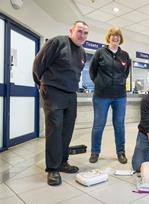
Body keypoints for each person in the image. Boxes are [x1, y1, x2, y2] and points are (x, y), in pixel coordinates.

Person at [33, 20, 89, 186]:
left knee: (67, 130)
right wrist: (42, 85)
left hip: (71, 95)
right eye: (79, 31)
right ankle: (52, 169)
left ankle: (63, 162)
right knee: (54, 131)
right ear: (71, 30)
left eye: (86, 33)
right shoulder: (57, 42)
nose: (82, 35)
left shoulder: (82, 52)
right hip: (53, 92)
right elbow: (38, 66)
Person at [89, 27, 131, 164]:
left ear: (120, 38)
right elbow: (92, 71)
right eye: (113, 35)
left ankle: (121, 152)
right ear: (109, 37)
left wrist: (120, 82)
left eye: (118, 35)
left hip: (120, 96)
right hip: (101, 96)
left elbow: (126, 73)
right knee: (98, 125)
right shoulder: (100, 53)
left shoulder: (124, 55)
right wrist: (100, 83)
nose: (115, 37)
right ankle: (95, 152)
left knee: (119, 125)